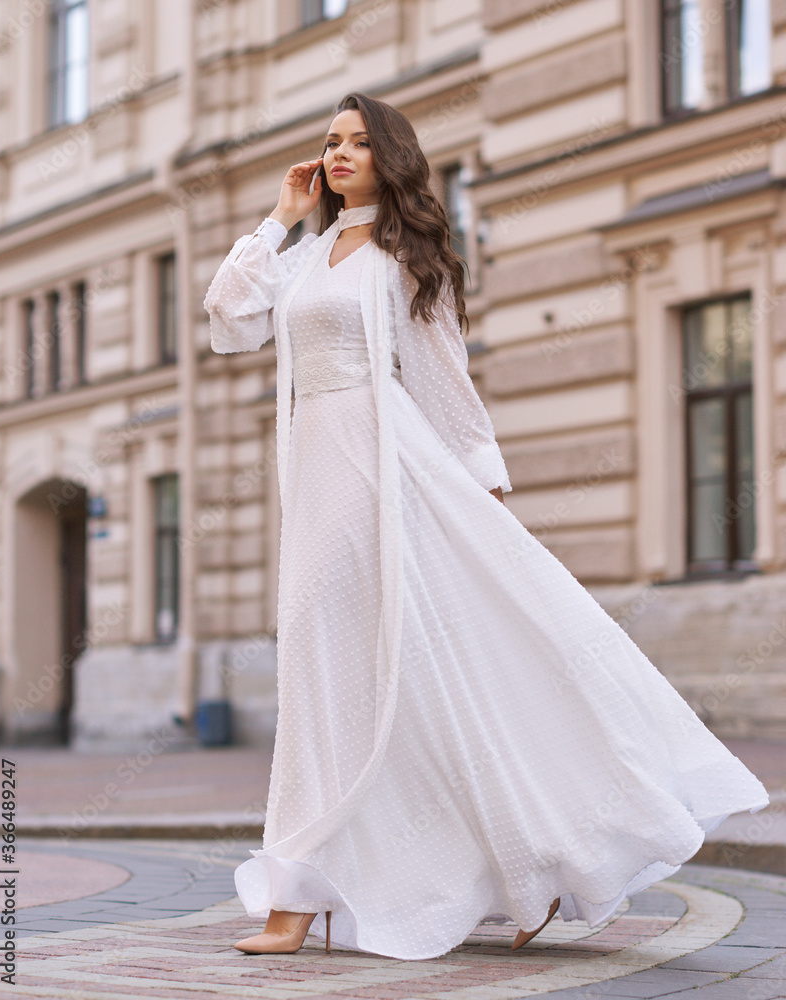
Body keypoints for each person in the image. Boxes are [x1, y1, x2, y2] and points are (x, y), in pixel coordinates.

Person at [202, 92, 769, 961]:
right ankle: (312, 888)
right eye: (331, 142)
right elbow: (229, 322)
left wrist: (485, 501)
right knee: (324, 671)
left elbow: (445, 386)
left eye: (360, 142)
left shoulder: (406, 261)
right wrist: (278, 218)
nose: (342, 153)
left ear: (392, 157)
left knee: (402, 663)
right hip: (315, 473)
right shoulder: (307, 256)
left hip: (383, 472)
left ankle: (498, 868)